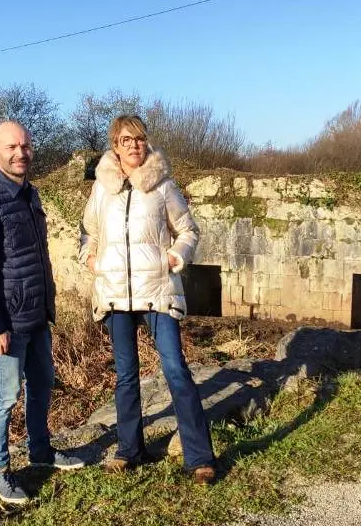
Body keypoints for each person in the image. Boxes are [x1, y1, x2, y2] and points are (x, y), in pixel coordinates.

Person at [79, 115, 217, 485]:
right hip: (115, 294)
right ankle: (129, 450)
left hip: (157, 290)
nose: (134, 146)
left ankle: (200, 457)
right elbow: (88, 232)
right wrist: (92, 260)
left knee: (175, 369)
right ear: (115, 145)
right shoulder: (101, 189)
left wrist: (174, 258)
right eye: (127, 140)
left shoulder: (162, 184)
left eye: (139, 139)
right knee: (125, 376)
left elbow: (188, 229)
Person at [0, 120, 84, 504]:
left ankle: (41, 451)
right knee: (4, 395)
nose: (20, 153)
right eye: (11, 147)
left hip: (35, 317)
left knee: (43, 384)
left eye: (25, 146)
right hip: (8, 325)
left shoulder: (29, 194)